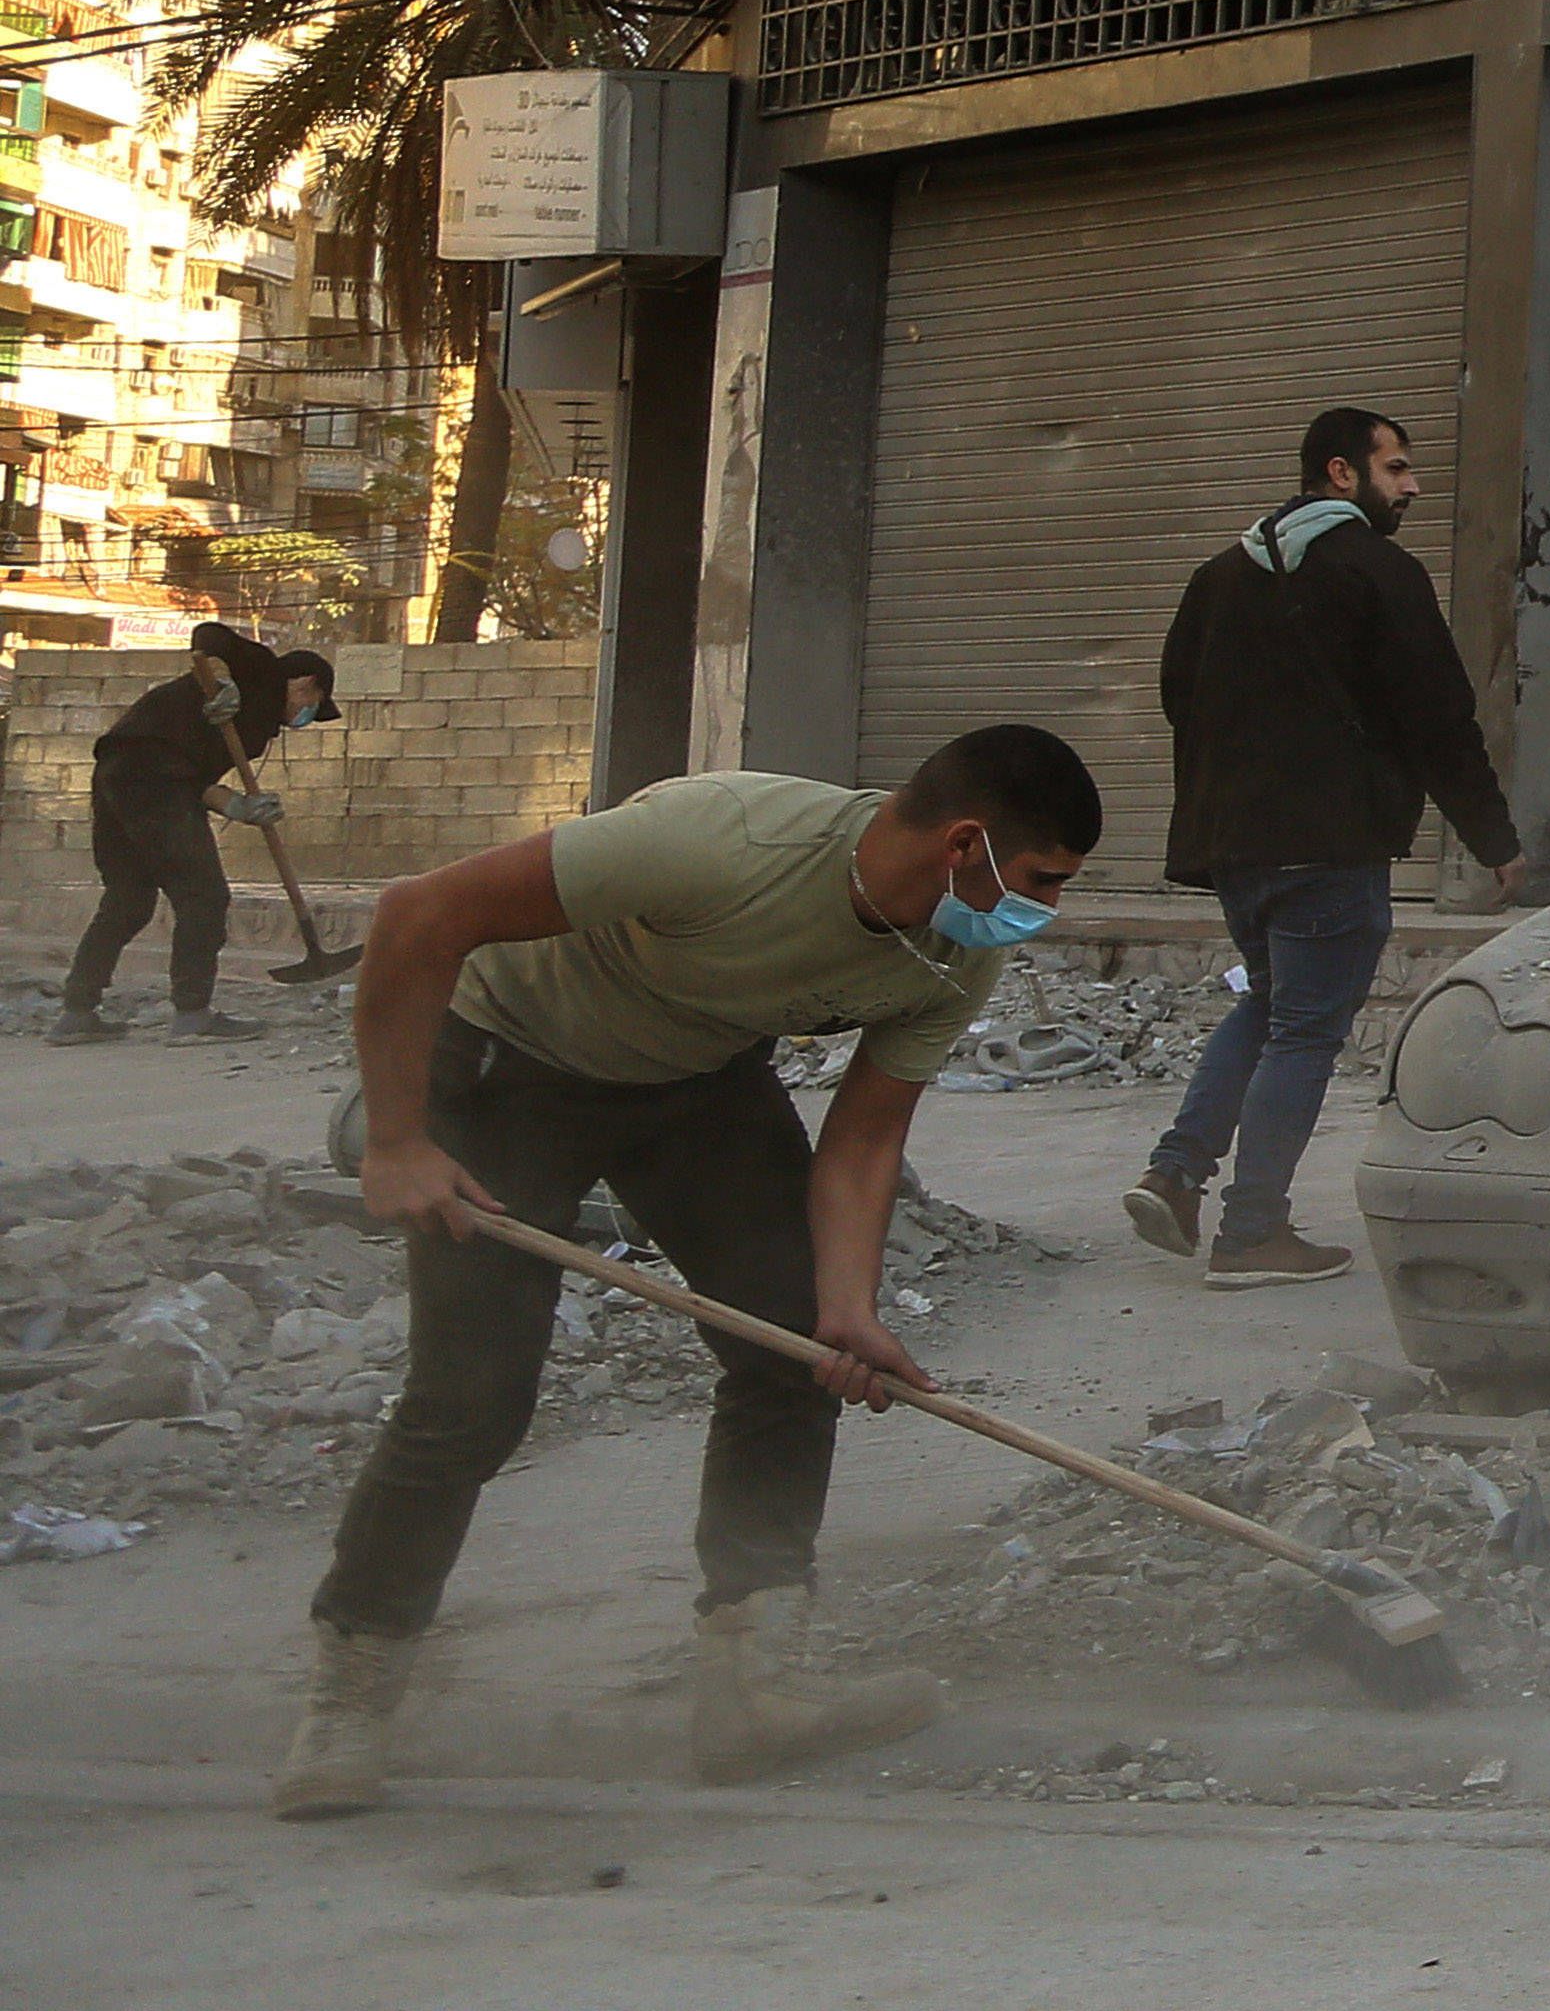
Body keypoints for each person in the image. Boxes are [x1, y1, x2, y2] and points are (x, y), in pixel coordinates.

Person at [271, 723, 1102, 1822]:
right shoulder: (720, 841)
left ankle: (751, 1686)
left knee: (793, 1352)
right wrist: (395, 1140)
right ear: (964, 846)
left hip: (697, 1083)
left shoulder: (959, 950)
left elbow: (862, 1140)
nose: (1042, 909)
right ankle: (352, 1694)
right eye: (1040, 881)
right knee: (471, 1400)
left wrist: (845, 1310)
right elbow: (419, 911)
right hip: (511, 1065)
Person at [1132, 405, 1544, 1287]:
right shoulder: (1378, 571)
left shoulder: (1217, 576)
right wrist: (1492, 838)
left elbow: (1179, 697)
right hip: (1329, 848)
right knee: (1305, 1034)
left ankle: (1175, 1171)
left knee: (1270, 1008)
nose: (1415, 486)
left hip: (1234, 848)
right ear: (1341, 474)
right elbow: (1438, 715)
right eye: (1396, 468)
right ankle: (1252, 1235)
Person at [50, 626, 337, 1044]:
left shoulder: (254, 732)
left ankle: (76, 1012)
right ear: (307, 685)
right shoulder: (261, 672)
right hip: (146, 775)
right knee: (204, 896)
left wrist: (238, 807)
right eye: (315, 705)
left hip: (124, 775)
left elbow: (194, 780)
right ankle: (192, 1014)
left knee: (129, 898)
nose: (309, 716)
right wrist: (223, 682)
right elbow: (209, 634)